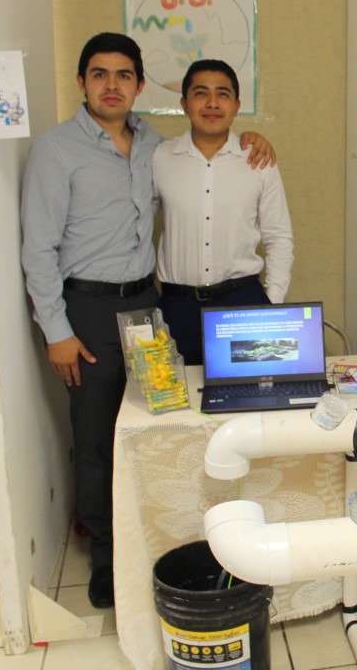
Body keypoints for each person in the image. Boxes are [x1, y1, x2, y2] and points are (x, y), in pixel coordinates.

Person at [20, 33, 274, 608]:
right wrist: (56, 330)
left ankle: (165, 531)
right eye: (99, 74)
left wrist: (251, 140)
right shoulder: (55, 150)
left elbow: (209, 151)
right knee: (96, 433)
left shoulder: (153, 147)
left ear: (138, 85)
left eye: (123, 75)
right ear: (82, 82)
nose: (111, 85)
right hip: (85, 310)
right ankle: (106, 558)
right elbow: (37, 249)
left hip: (146, 307)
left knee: (154, 424)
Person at [153, 59, 294, 365]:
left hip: (243, 303)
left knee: (251, 389)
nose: (212, 103)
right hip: (177, 307)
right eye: (200, 93)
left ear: (236, 105)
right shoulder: (160, 158)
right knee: (176, 392)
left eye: (223, 94)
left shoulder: (259, 161)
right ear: (184, 104)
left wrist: (271, 304)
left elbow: (279, 237)